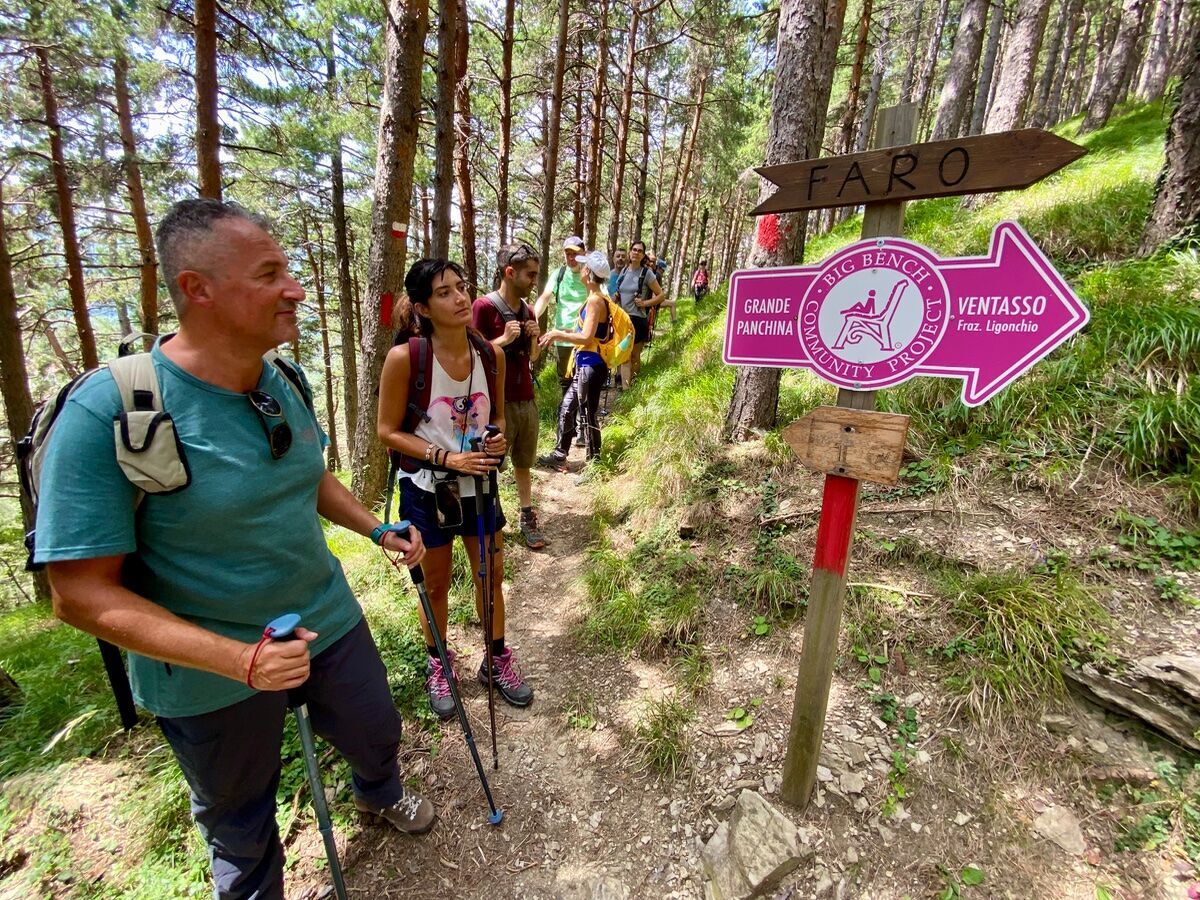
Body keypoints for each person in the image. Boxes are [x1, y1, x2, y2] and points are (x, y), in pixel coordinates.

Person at [34, 198, 435, 900]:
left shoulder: (282, 381)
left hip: (327, 620)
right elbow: (79, 593)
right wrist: (241, 661)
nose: (296, 289)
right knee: (239, 822)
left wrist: (375, 528)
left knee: (377, 730)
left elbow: (307, 475)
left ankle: (379, 792)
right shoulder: (113, 411)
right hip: (205, 670)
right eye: (269, 273)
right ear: (198, 289)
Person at [378, 259, 534, 719]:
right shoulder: (407, 357)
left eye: (462, 287)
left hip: (480, 484)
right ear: (423, 307)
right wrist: (445, 457)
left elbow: (498, 415)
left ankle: (497, 658)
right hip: (428, 489)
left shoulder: (492, 354)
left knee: (491, 575)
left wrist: (499, 436)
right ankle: (439, 664)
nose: (461, 298)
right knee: (438, 583)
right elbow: (388, 430)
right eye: (445, 292)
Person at [472, 243, 546, 550]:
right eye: (530, 274)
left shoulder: (527, 310)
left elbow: (533, 357)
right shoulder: (483, 307)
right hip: (495, 402)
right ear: (510, 272)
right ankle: (493, 521)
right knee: (491, 464)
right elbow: (472, 353)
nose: (534, 281)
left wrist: (533, 337)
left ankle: (527, 516)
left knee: (523, 462)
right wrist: (503, 339)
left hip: (525, 397)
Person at [537, 250, 612, 479]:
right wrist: (561, 333)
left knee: (588, 414)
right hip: (587, 365)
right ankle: (560, 453)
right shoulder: (595, 299)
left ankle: (593, 464)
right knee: (567, 407)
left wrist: (559, 333)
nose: (580, 269)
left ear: (588, 273)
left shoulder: (595, 301)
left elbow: (587, 338)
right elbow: (583, 332)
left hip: (591, 365)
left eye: (584, 267)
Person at [612, 240, 664, 387]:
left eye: (640, 251)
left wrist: (645, 303)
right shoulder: (623, 272)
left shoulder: (646, 274)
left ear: (643, 255)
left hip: (638, 320)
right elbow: (620, 292)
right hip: (623, 319)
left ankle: (633, 384)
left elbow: (661, 295)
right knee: (624, 355)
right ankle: (625, 389)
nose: (636, 252)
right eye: (634, 249)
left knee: (634, 356)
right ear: (630, 252)